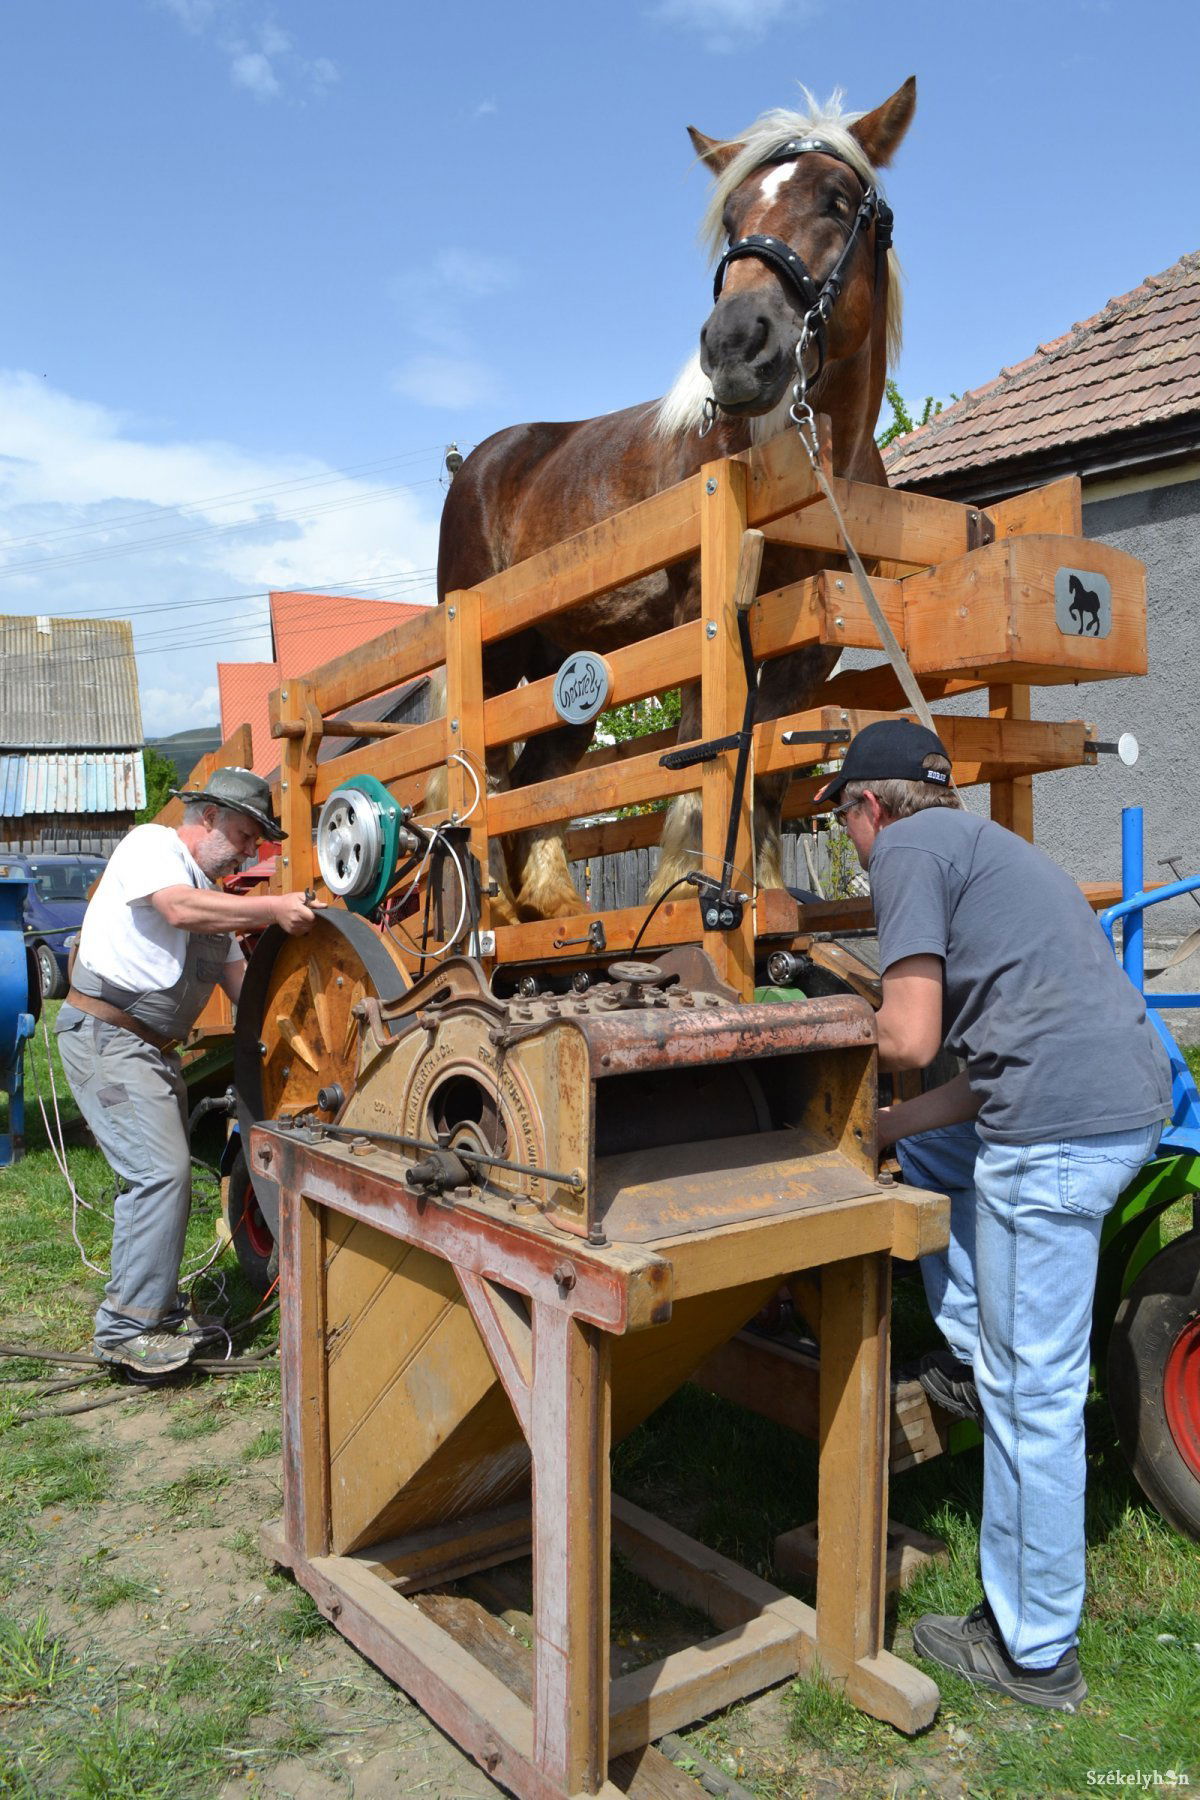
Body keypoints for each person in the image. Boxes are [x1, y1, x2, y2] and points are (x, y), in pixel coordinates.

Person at [815, 719, 1171, 1713]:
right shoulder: (993, 849)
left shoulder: (907, 851)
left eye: (846, 821)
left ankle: (1033, 1652)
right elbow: (978, 1076)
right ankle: (976, 1350)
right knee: (927, 1154)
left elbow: (909, 1031)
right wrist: (886, 1126)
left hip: (1057, 1137)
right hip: (1116, 1103)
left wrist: (810, 1028)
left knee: (1037, 1394)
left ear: (870, 806)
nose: (851, 843)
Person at [55, 767, 323, 1377]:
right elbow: (176, 910)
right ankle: (127, 1331)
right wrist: (273, 907)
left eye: (258, 840)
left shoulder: (215, 901)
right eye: (244, 833)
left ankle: (154, 1309)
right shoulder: (152, 847)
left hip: (151, 1050)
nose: (251, 850)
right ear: (205, 817)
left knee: (159, 1178)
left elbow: (246, 995)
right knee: (160, 1173)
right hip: (107, 1036)